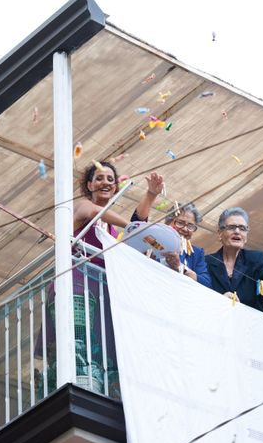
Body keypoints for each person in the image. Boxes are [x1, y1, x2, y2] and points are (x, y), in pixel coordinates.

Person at [37, 161, 163, 398]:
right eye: (100, 178)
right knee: (76, 345)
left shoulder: (113, 231)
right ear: (89, 185)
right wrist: (133, 227)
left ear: (116, 187)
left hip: (101, 292)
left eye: (110, 179)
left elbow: (134, 237)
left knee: (97, 351)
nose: (105, 182)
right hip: (77, 287)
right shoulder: (84, 206)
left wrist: (150, 195)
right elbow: (97, 213)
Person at [206, 207, 263, 311]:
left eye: (242, 228)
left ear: (246, 236)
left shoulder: (256, 258)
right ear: (220, 233)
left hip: (254, 324)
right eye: (231, 227)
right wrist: (219, 300)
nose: (237, 231)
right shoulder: (206, 263)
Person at [159, 202, 212, 288]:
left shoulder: (196, 253)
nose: (184, 229)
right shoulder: (155, 239)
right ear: (168, 222)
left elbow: (206, 283)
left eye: (190, 226)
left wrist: (180, 267)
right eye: (180, 223)